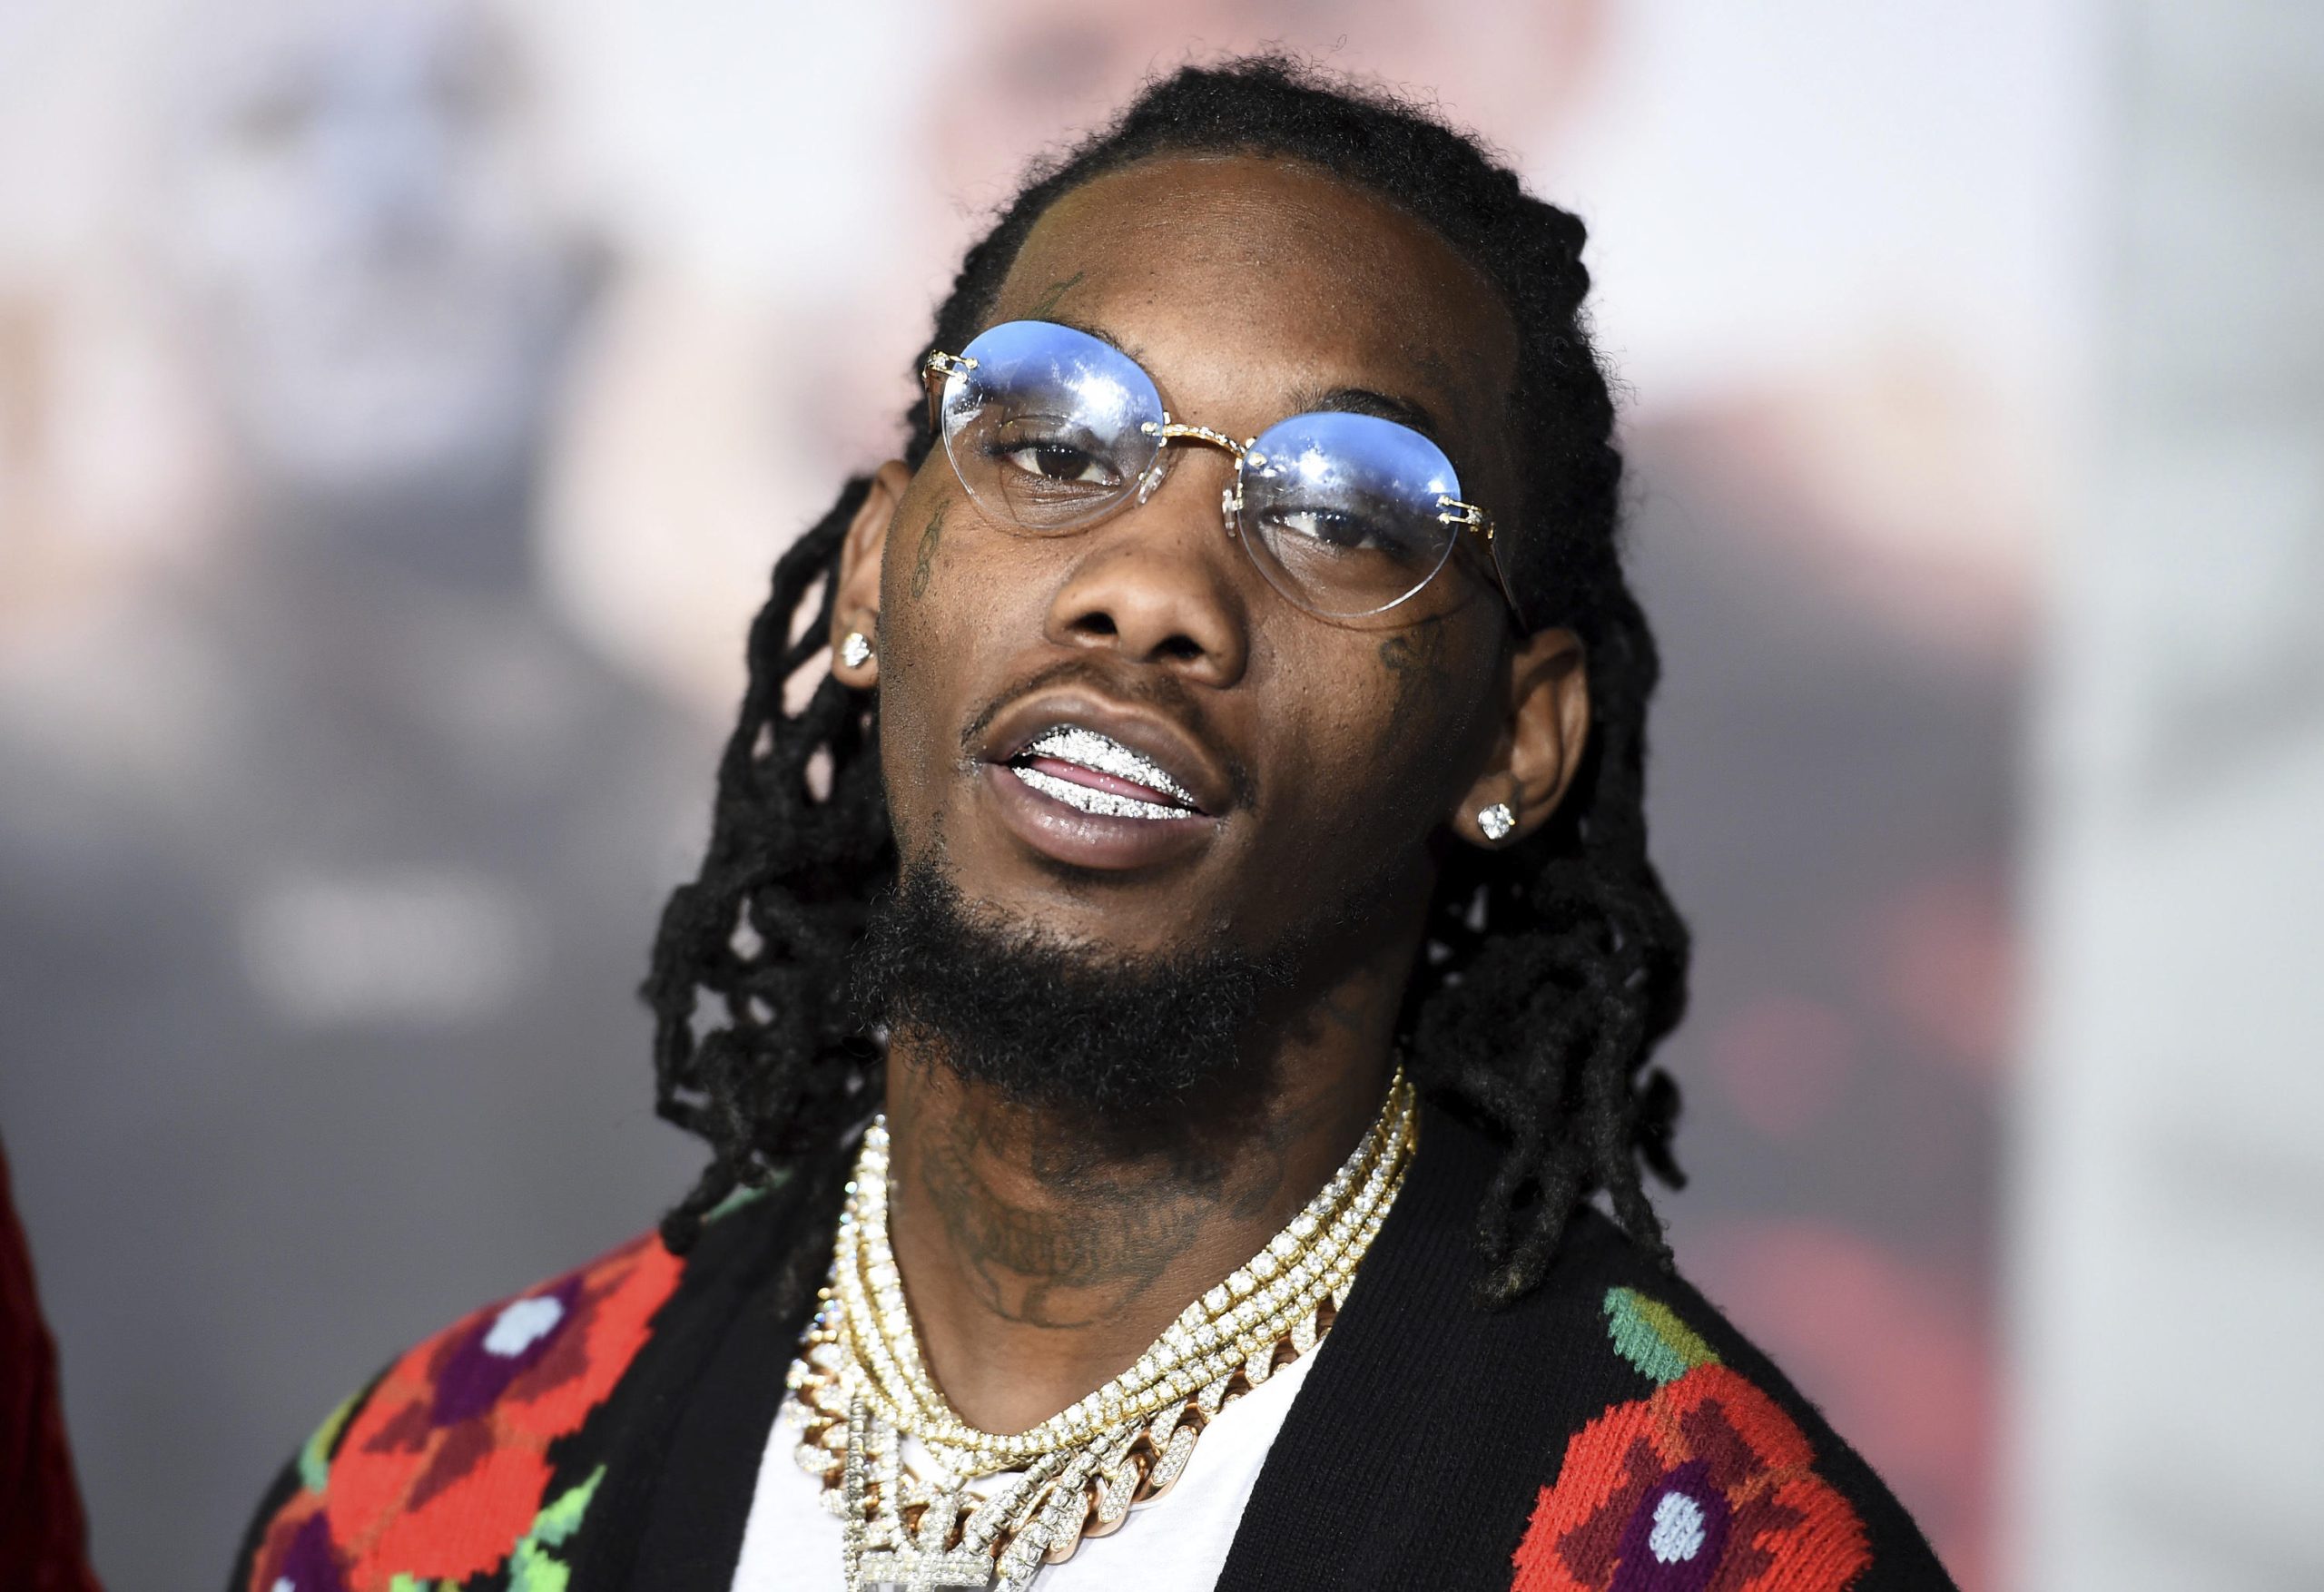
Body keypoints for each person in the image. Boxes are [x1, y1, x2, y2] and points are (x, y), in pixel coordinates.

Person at [229, 57, 1956, 1592]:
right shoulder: (412, 1498)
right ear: (871, 573)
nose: (1150, 588)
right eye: (1053, 436)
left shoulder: (1725, 1555)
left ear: (1518, 735)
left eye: (1348, 508)